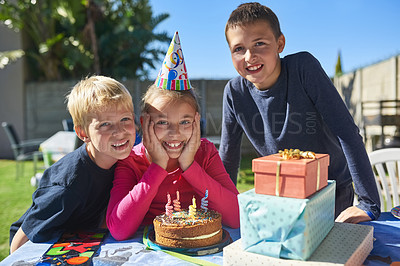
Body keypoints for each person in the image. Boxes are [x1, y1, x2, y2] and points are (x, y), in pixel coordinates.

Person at [219, 2, 380, 224]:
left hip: (329, 192)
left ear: (280, 43)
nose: (249, 56)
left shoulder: (303, 68)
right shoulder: (234, 93)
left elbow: (347, 132)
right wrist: (223, 207)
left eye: (259, 43)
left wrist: (368, 203)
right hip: (280, 195)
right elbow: (228, 156)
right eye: (239, 48)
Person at [106, 32, 240, 241]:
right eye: (162, 122)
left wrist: (189, 166)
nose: (174, 133)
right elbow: (119, 229)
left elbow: (237, 216)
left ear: (197, 122)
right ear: (144, 123)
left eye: (185, 122)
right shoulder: (131, 161)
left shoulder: (205, 153)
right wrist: (157, 167)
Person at [9, 75, 136, 253]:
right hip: (45, 247)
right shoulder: (67, 186)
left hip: (85, 241)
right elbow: (20, 242)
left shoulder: (121, 159)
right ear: (83, 132)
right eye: (105, 124)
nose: (120, 132)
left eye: (125, 119)